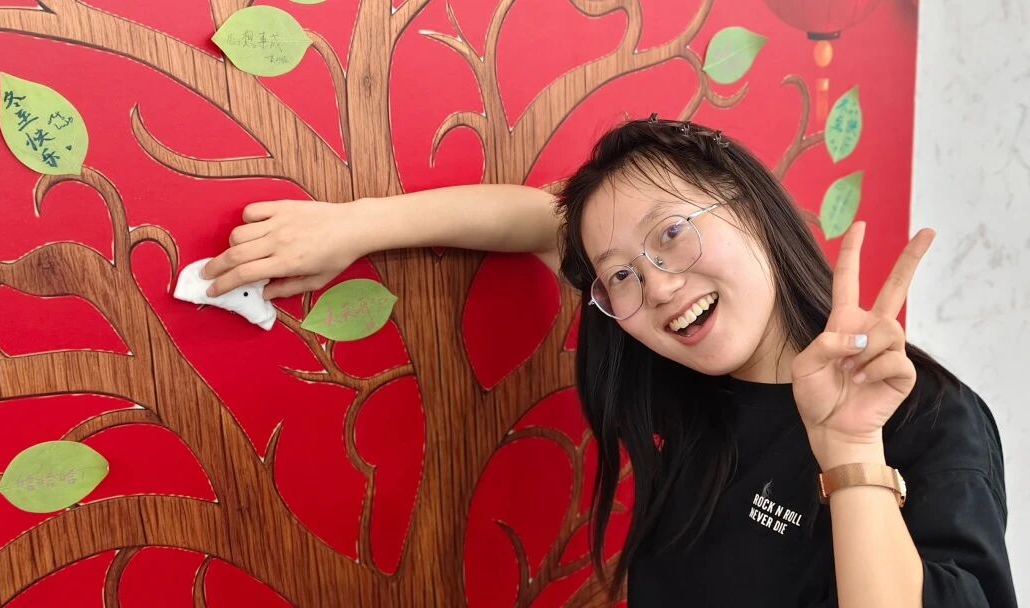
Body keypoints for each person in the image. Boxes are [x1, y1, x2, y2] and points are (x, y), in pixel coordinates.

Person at [200, 116, 1016, 607]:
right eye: (619, 276)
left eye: (673, 234)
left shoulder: (927, 420)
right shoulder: (687, 386)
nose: (655, 286)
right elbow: (547, 222)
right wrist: (353, 228)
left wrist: (849, 451)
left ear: (752, 210)